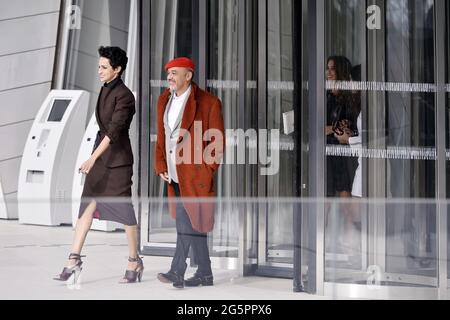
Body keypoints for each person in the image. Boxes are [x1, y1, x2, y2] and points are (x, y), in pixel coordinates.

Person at [54, 46, 143, 284]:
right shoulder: (105, 89)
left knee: (125, 214)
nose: (99, 71)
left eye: (104, 67)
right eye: (99, 67)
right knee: (87, 208)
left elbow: (114, 132)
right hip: (101, 159)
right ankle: (73, 260)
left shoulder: (125, 96)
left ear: (118, 69)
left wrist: (92, 158)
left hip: (118, 164)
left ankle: (134, 260)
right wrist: (95, 158)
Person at [154, 57, 224, 288]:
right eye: (168, 73)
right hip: (173, 174)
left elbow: (217, 143)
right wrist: (161, 165)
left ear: (188, 75)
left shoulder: (209, 102)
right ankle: (205, 273)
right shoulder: (164, 99)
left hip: (195, 175)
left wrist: (206, 170)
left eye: (175, 73)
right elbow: (162, 137)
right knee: (191, 221)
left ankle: (177, 270)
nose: (170, 77)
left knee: (186, 220)